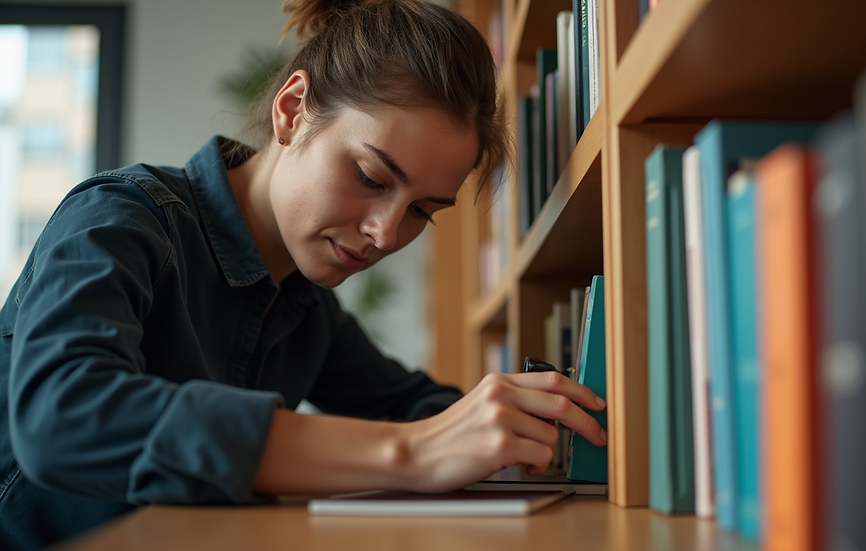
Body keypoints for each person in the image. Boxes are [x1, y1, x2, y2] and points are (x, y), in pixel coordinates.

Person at [0, 0, 607, 548]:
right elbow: (64, 415)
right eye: (371, 178)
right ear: (292, 110)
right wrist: (408, 454)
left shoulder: (304, 304)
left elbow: (412, 406)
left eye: (422, 211)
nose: (387, 234)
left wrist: (505, 425)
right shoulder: (122, 218)